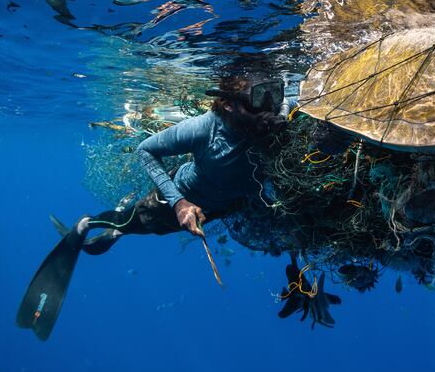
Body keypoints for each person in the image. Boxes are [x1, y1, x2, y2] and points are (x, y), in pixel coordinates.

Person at [17, 76, 290, 341]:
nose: (269, 108)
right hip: (172, 203)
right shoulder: (205, 128)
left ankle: (113, 236)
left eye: (273, 95)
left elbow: (285, 106)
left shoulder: (270, 119)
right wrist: (179, 203)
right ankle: (86, 224)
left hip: (216, 208)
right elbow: (146, 150)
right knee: (128, 223)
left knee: (146, 231)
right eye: (258, 100)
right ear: (229, 104)